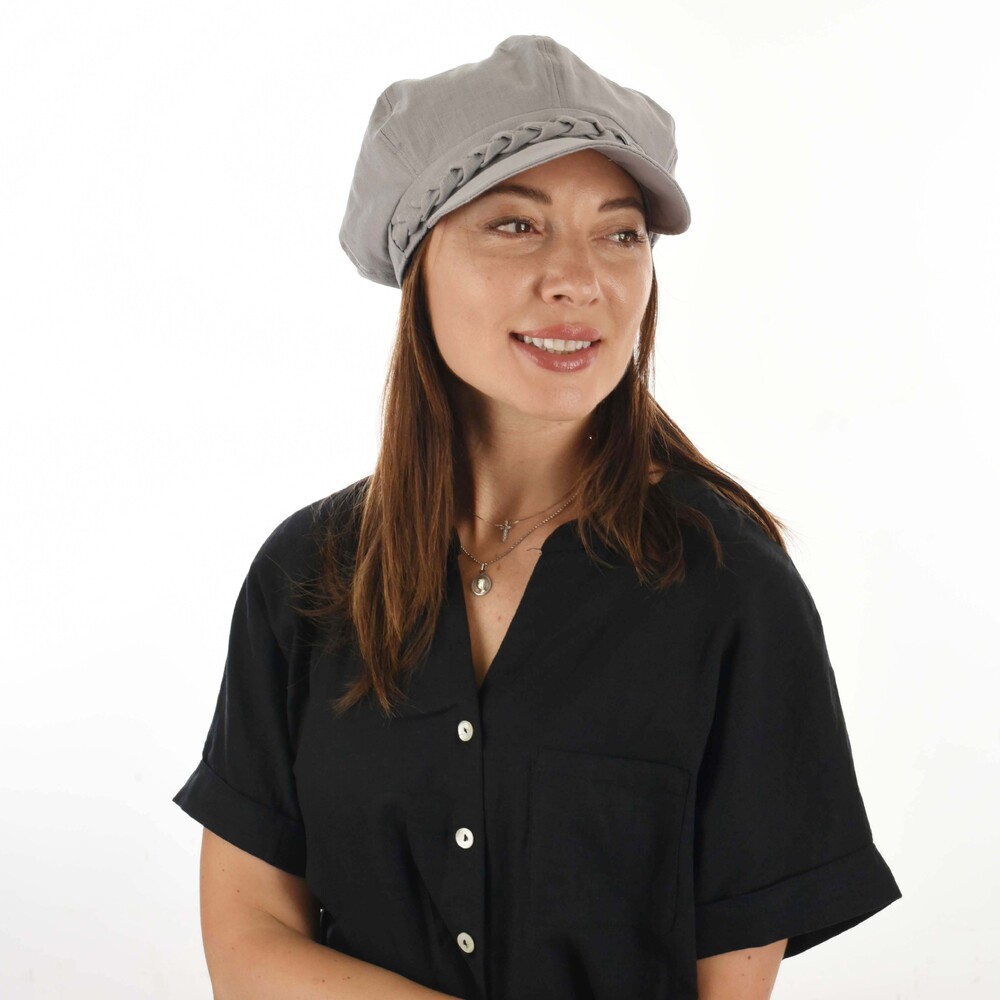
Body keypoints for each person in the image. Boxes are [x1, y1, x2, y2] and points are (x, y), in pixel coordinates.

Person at [172, 34, 902, 1000]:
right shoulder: (307, 574)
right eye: (516, 225)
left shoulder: (730, 589)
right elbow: (247, 944)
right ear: (419, 261)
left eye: (620, 233)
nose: (579, 279)